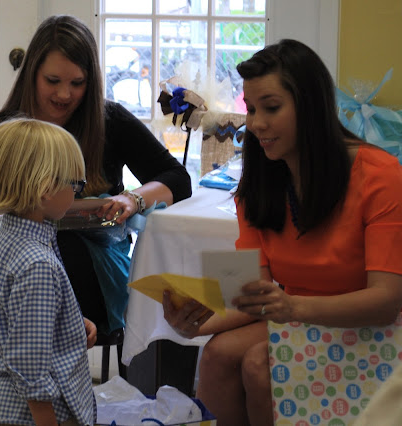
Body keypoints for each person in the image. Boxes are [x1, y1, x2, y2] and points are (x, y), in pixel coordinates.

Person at [161, 39, 402, 426]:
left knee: (260, 364)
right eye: (251, 109)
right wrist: (192, 324)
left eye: (271, 108)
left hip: (373, 328)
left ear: (311, 106)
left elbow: (386, 301)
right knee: (218, 353)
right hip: (300, 319)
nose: (256, 123)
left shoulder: (380, 175)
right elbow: (253, 295)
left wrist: (293, 308)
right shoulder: (259, 184)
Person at [0, 15, 191, 337]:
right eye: (53, 81)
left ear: (91, 81)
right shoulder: (4, 131)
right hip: (19, 265)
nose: (64, 94)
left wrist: (133, 200)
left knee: (66, 257)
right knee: (42, 259)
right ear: (32, 74)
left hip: (92, 266)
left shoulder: (109, 120)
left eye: (77, 83)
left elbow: (178, 179)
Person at [0, 118, 97, 425]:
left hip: (5, 405)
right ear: (45, 189)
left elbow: (13, 316)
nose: (77, 194)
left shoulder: (1, 235)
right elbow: (29, 365)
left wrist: (69, 323)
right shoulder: (37, 263)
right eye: (75, 185)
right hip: (37, 415)